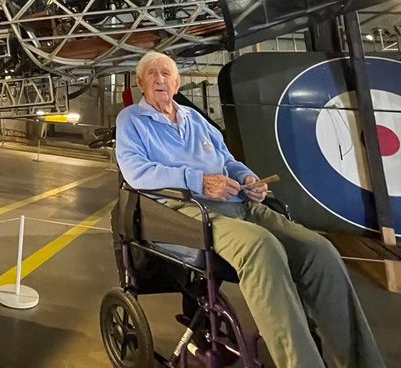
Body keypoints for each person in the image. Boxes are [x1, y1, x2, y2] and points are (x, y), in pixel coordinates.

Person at [115, 51, 385, 368]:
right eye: (151, 74)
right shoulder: (132, 120)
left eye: (166, 73)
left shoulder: (195, 119)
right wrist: (198, 180)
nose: (159, 79)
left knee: (319, 250)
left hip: (238, 203)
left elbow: (227, 161)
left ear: (177, 83)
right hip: (186, 212)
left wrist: (247, 177)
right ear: (140, 83)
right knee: (262, 247)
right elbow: (136, 172)